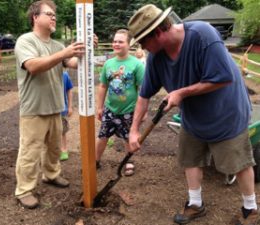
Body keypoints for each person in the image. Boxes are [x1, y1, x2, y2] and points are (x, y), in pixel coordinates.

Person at [127, 4, 258, 225]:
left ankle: (251, 209)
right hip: (193, 115)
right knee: (190, 157)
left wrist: (181, 92)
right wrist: (133, 131)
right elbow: (144, 95)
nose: (142, 47)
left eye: (143, 41)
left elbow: (224, 77)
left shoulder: (202, 35)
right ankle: (196, 204)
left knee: (239, 161)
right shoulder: (156, 58)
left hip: (226, 111)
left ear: (158, 32)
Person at [14, 0, 88, 209]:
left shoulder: (56, 45)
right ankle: (24, 190)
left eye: (54, 14)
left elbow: (72, 62)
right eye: (49, 13)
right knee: (30, 152)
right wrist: (64, 54)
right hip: (34, 109)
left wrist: (85, 48)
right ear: (36, 17)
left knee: (54, 149)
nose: (54, 16)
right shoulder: (26, 41)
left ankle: (51, 175)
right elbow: (33, 66)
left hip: (56, 107)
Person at [95, 29, 145, 176]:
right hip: (110, 109)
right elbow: (103, 86)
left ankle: (128, 161)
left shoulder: (137, 64)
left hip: (129, 110)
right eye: (115, 41)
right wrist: (99, 107)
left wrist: (143, 111)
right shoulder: (108, 64)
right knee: (102, 136)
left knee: (127, 137)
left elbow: (142, 89)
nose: (116, 44)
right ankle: (95, 161)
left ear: (129, 44)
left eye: (120, 41)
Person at [60, 70, 73, 161]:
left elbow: (69, 89)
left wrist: (70, 106)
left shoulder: (64, 74)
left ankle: (63, 149)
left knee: (62, 131)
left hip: (61, 109)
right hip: (48, 110)